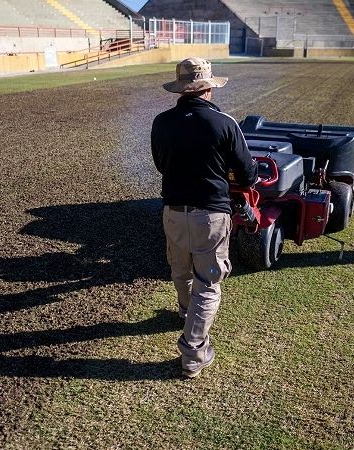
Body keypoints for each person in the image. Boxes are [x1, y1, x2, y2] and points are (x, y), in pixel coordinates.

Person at [151, 57, 257, 378]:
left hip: (172, 211)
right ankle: (194, 353)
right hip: (210, 215)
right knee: (208, 282)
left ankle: (186, 312)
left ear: (181, 89)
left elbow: (161, 165)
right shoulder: (224, 123)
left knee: (180, 270)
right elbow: (247, 175)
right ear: (208, 88)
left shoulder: (161, 122)